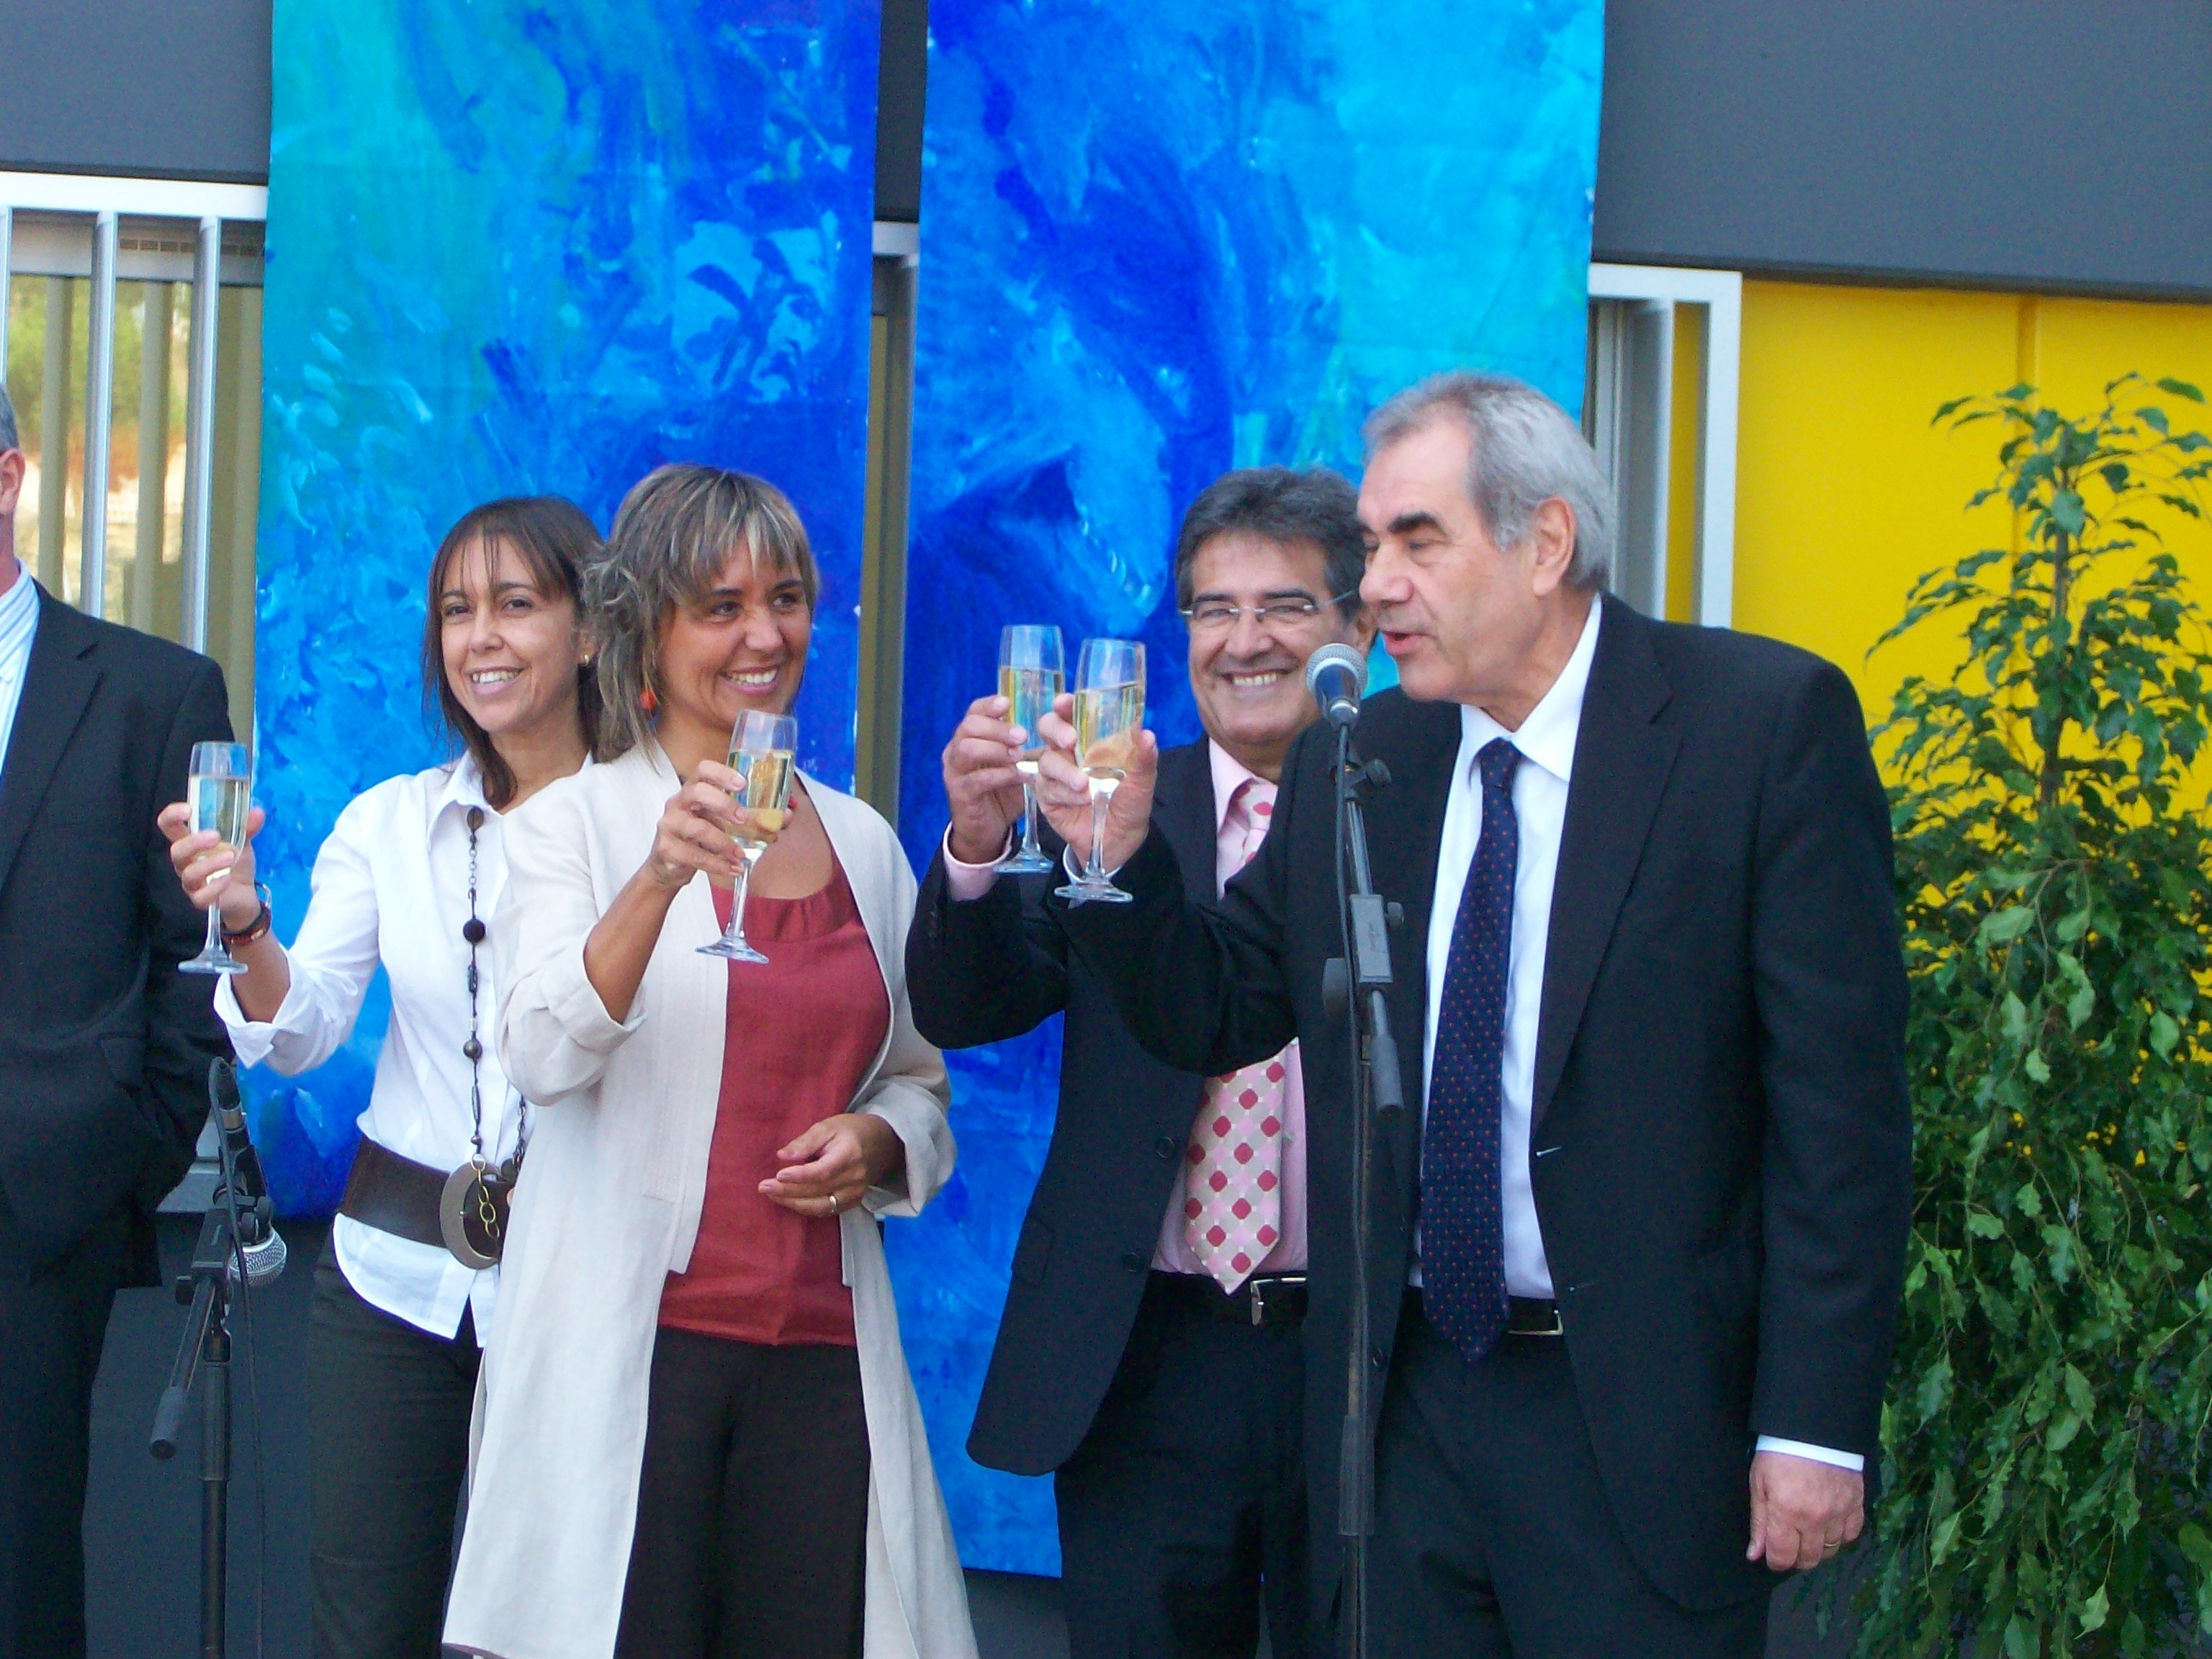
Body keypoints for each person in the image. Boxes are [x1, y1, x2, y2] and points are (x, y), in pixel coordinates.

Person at [999, 372, 1913, 1656]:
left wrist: (1812, 1425)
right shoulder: (1361, 753)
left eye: (1416, 541)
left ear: (1544, 544)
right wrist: (1123, 858)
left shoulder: (1757, 727)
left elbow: (1840, 1120)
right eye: (1373, 546)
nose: (1376, 586)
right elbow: (1214, 1005)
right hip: (1408, 1410)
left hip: (1641, 1419)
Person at [444, 464, 974, 1659]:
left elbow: (918, 1081)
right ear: (649, 628)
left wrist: (881, 1138)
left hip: (823, 1356)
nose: (764, 636)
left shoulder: (863, 841)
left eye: (786, 600)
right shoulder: (572, 822)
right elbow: (538, 1055)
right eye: (721, 607)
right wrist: (657, 877)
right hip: (632, 1354)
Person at [908, 467, 1374, 1658]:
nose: (1246, 641)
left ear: (1359, 629)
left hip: (1361, 1356)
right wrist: (978, 843)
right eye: (1215, 610)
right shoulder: (1112, 809)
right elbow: (966, 1006)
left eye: (1285, 607)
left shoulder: (1411, 819)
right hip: (1142, 1352)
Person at [159, 497, 601, 1658]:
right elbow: (302, 1032)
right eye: (457, 611)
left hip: (585, 1286)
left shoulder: (651, 827)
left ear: (592, 630)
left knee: (554, 1632)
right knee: (366, 1631)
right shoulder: (392, 821)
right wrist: (245, 920)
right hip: (388, 1282)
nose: (480, 637)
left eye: (516, 604)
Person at [0, 384, 235, 1658]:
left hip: (37, 1208)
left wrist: (120, 1149)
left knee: (20, 1571)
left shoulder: (154, 690)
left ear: (8, 479)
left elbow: (200, 954)